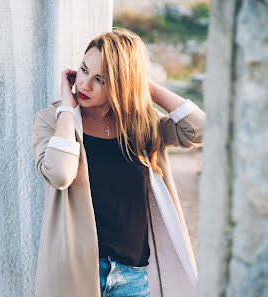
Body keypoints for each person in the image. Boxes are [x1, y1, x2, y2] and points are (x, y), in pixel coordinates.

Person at [30, 28, 205, 297]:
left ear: (122, 83)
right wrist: (67, 107)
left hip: (132, 276)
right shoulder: (52, 121)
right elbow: (60, 174)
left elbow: (199, 129)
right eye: (84, 70)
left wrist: (143, 86)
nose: (85, 85)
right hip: (78, 276)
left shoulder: (141, 125)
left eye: (101, 79)